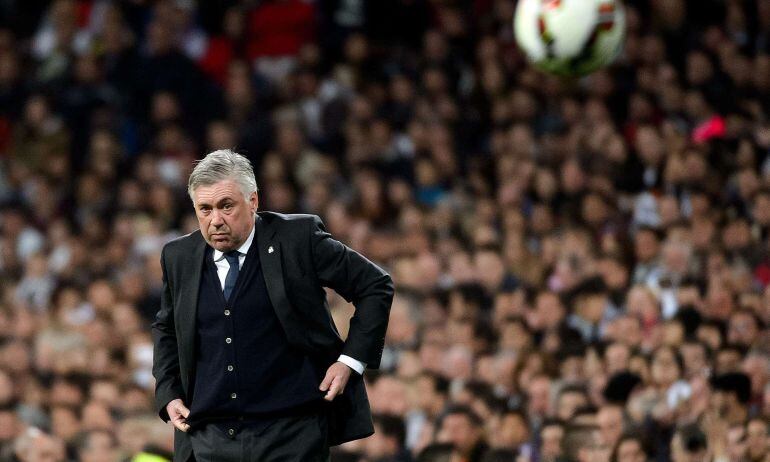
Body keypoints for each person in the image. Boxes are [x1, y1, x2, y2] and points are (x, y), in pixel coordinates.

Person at [151, 150, 394, 461]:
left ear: (253, 201)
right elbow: (166, 328)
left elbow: (375, 285)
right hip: (209, 437)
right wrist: (168, 393)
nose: (215, 220)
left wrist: (351, 361)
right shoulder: (178, 256)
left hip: (291, 433)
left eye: (226, 206)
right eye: (205, 209)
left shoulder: (297, 238)